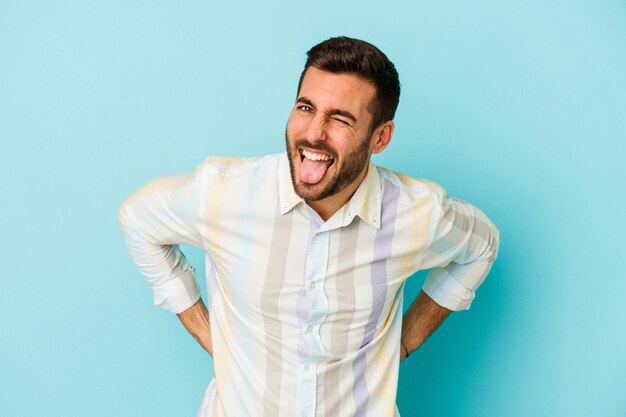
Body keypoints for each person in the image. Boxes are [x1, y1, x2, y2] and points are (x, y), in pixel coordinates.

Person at [118, 36, 499, 417]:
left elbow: (483, 245)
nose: (314, 133)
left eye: (340, 118)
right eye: (305, 107)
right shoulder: (226, 194)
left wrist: (405, 342)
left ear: (380, 137)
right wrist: (205, 328)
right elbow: (137, 218)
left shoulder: (417, 214)